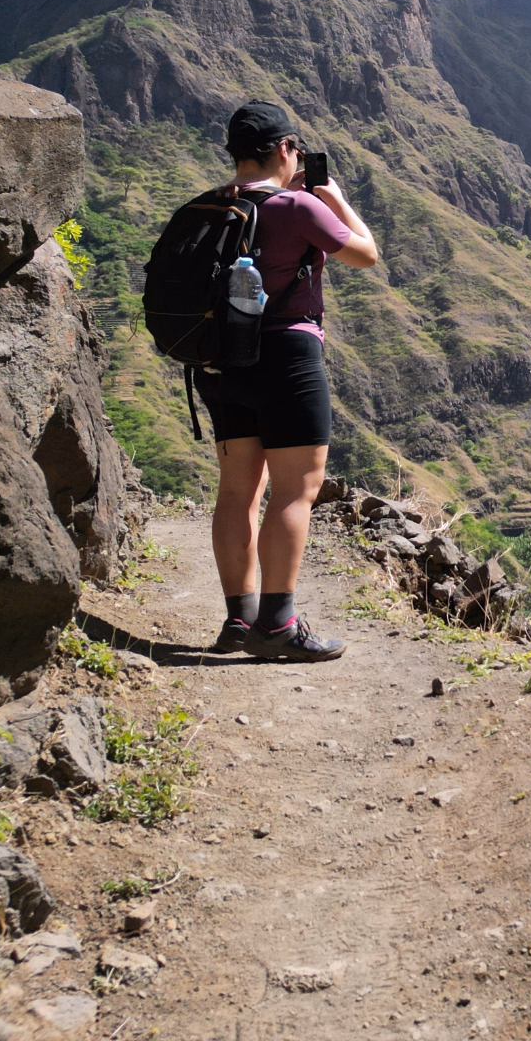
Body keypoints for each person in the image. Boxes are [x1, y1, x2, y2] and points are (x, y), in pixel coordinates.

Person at [196, 101, 379, 662]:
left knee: (236, 491)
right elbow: (366, 255)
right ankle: (277, 626)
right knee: (296, 489)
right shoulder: (298, 206)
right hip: (287, 357)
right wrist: (337, 200)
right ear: (285, 149)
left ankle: (238, 618)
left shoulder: (210, 206)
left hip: (221, 362)